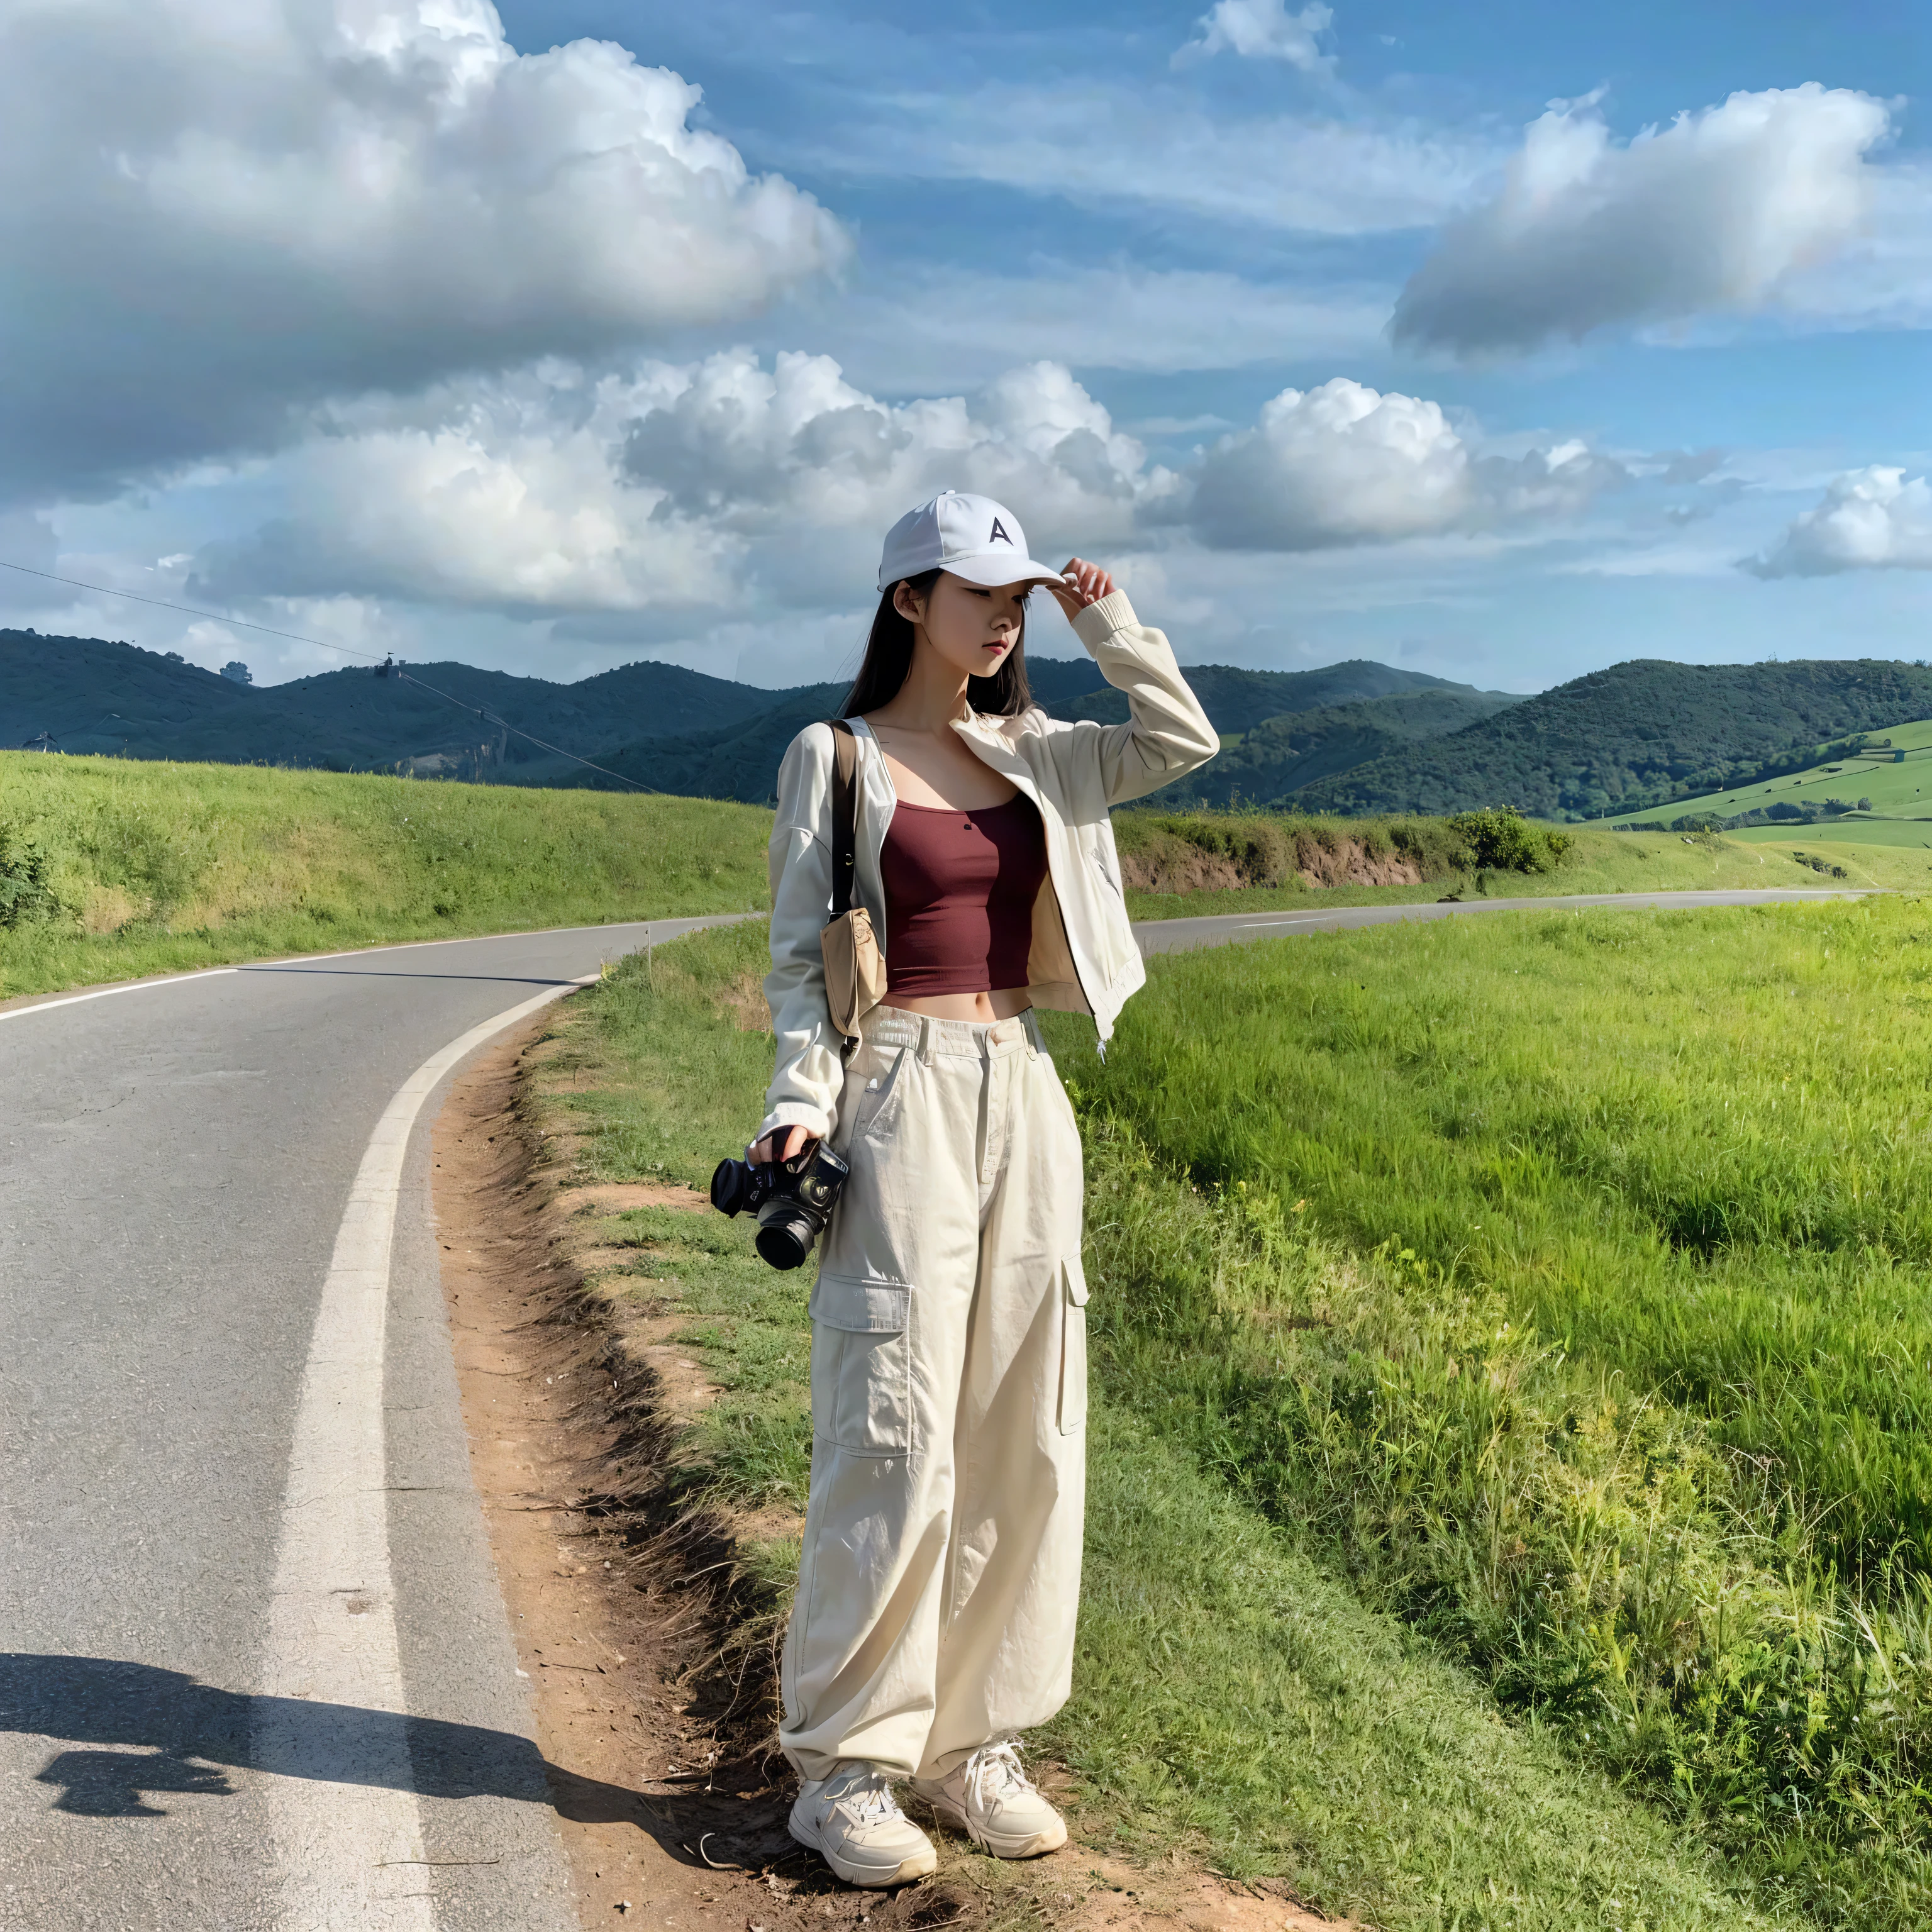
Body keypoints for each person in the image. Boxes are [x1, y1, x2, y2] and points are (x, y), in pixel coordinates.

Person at [753, 490, 1217, 1887]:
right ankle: (848, 1765)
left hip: (1023, 1083)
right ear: (908, 600)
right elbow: (796, 962)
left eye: (1020, 596)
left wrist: (1108, 620)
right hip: (895, 1088)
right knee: (892, 1434)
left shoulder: (1045, 751)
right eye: (982, 593)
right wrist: (795, 1106)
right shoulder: (835, 758)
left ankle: (977, 1744)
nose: (1007, 616)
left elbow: (1183, 739)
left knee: (1028, 1428)